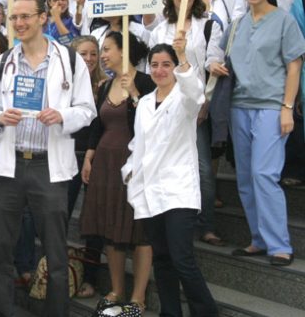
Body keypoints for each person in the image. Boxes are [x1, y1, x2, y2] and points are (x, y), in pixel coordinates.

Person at [0, 0, 96, 316]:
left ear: (43, 17)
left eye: (25, 16)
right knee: (2, 250)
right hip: (10, 166)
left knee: (56, 252)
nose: (19, 23)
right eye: (14, 18)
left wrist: (62, 116)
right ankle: (0, 312)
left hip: (49, 167)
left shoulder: (69, 60)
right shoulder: (4, 62)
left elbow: (87, 110)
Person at [212, 0, 305, 266]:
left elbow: (294, 65)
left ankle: (280, 244)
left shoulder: (283, 21)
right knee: (245, 178)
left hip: (271, 107)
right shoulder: (237, 24)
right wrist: (213, 64)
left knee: (264, 174)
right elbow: (219, 54)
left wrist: (287, 107)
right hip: (240, 107)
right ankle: (259, 239)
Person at [123, 39, 219, 317]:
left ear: (176, 68)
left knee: (182, 259)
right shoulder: (144, 104)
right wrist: (129, 172)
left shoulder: (184, 98)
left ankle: (206, 312)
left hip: (179, 192)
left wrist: (182, 56)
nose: (160, 70)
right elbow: (137, 145)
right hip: (150, 190)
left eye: (167, 64)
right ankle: (170, 312)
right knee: (162, 259)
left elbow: (196, 92)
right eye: (154, 65)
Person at [80, 31, 154, 313]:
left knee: (138, 230)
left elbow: (150, 123)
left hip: (135, 161)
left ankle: (138, 295)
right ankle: (116, 288)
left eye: (108, 49)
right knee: (110, 226)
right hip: (105, 163)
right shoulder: (105, 85)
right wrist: (89, 156)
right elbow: (97, 125)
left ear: (124, 51)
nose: (104, 54)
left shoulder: (146, 82)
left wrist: (134, 94)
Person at [149, 0, 224, 247]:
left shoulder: (208, 26)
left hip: (195, 107)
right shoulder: (160, 29)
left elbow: (212, 64)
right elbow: (153, 68)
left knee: (202, 168)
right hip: (168, 109)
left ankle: (206, 225)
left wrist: (204, 102)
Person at [67, 35, 107, 298]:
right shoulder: (63, 85)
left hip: (96, 160)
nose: (89, 59)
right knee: (59, 216)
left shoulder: (108, 86)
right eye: (83, 54)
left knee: (93, 223)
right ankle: (58, 274)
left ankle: (90, 278)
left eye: (93, 54)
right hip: (67, 158)